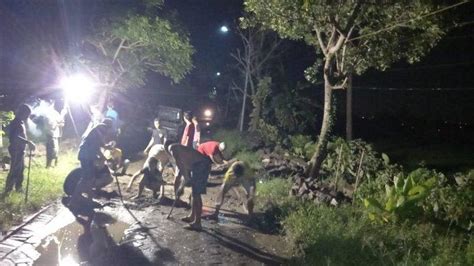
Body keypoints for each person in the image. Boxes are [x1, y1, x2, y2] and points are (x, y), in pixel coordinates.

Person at [69, 119, 113, 209]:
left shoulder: (96, 130)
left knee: (89, 179)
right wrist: (103, 157)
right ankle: (74, 200)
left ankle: (88, 200)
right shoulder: (101, 128)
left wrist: (106, 147)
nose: (108, 132)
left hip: (87, 156)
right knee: (86, 179)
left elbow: (99, 144)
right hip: (86, 156)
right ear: (107, 126)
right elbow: (96, 146)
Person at [167, 143, 212, 231]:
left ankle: (197, 223)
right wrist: (181, 186)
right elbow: (184, 173)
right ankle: (192, 216)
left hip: (200, 165)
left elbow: (180, 165)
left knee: (196, 194)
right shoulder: (183, 153)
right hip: (198, 166)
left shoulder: (172, 148)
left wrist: (183, 184)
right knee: (194, 193)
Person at [3, 104, 36, 194]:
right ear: (23, 112)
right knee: (14, 169)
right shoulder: (16, 123)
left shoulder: (20, 122)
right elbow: (15, 137)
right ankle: (8, 190)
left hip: (20, 150)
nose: (28, 116)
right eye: (27, 114)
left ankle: (18, 188)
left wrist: (27, 142)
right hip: (16, 150)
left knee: (20, 169)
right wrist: (28, 142)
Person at [45, 100, 67, 168]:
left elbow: (61, 123)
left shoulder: (55, 113)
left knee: (55, 149)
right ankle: (48, 165)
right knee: (51, 150)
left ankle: (55, 164)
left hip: (55, 135)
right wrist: (63, 114)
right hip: (50, 134)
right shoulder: (47, 114)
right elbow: (51, 125)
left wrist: (63, 115)